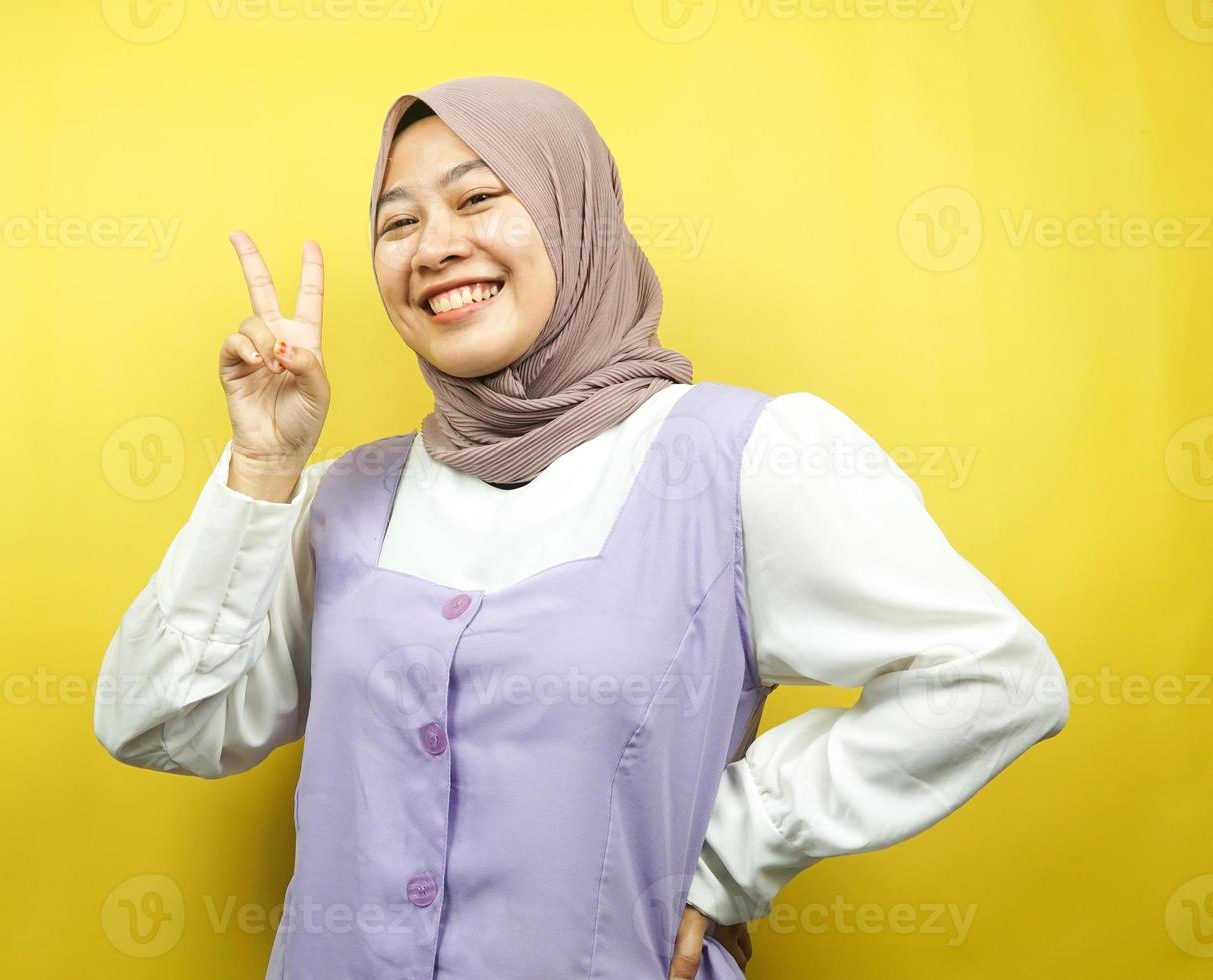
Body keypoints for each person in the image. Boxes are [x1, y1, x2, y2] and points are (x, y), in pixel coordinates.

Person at [93, 75, 1070, 979]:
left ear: (576, 213)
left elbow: (993, 675)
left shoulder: (744, 454)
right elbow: (155, 722)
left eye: (479, 198)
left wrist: (732, 852)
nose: (434, 245)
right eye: (398, 221)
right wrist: (262, 466)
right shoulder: (344, 496)